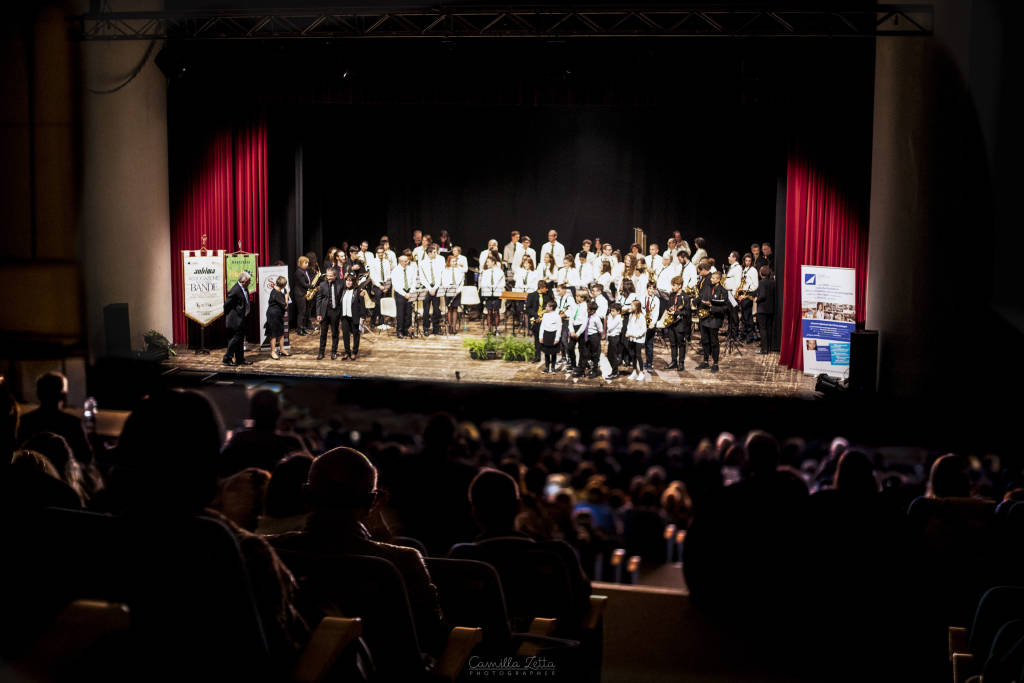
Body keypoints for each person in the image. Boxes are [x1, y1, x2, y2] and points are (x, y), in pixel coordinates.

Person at [268, 447, 445, 655]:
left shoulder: (269, 552)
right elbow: (432, 638)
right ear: (372, 502)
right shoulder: (403, 561)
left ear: (306, 495)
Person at [17, 372, 93, 466]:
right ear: (63, 395)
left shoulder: (25, 421)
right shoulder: (72, 424)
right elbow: (86, 458)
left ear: (38, 394)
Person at [696, 269, 728, 373]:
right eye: (711, 277)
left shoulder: (723, 291)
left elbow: (724, 308)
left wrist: (711, 306)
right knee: (705, 340)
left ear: (719, 280)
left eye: (714, 278)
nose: (711, 279)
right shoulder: (707, 287)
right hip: (705, 318)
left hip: (715, 319)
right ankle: (705, 361)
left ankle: (715, 363)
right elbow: (701, 298)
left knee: (714, 342)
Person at [223, 271, 252, 366]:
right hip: (235, 320)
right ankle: (227, 358)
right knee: (234, 340)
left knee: (240, 340)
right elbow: (226, 305)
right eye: (249, 281)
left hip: (242, 318)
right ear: (244, 281)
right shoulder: (235, 290)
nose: (250, 283)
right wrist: (233, 315)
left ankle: (240, 359)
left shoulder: (244, 288)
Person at [315, 268, 343, 360]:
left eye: (330, 276)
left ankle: (334, 352)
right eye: (327, 276)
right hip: (324, 312)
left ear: (335, 276)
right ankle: (321, 352)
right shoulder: (322, 285)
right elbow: (318, 300)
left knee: (335, 333)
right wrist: (318, 313)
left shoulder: (340, 284)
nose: (328, 278)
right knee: (323, 333)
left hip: (335, 311)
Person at [418, 243, 445, 336]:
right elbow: (422, 278)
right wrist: (430, 288)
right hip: (427, 289)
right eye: (434, 252)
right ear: (429, 253)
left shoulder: (438, 262)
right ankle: (426, 328)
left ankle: (436, 328)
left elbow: (439, 276)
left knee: (436, 310)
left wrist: (435, 287)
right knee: (426, 310)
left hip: (436, 288)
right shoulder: (422, 263)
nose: (436, 254)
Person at [338, 273, 366, 360]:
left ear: (353, 282)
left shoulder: (358, 291)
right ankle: (347, 352)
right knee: (345, 335)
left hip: (354, 316)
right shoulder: (343, 290)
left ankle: (354, 352)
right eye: (347, 280)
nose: (348, 282)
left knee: (355, 335)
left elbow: (362, 305)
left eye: (350, 281)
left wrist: (363, 316)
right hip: (345, 316)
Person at [664, 276, 689, 371]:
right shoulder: (672, 295)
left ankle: (681, 363)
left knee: (681, 344)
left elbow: (687, 312)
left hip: (680, 324)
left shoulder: (685, 297)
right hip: (671, 323)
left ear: (679, 286)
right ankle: (674, 361)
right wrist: (670, 309)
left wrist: (676, 312)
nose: (672, 287)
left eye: (674, 285)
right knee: (672, 343)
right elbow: (668, 306)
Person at [391, 254, 418, 339]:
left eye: (407, 260)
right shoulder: (395, 270)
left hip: (409, 292)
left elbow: (414, 281)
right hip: (400, 293)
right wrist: (404, 294)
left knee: (408, 313)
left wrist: (411, 292)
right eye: (405, 261)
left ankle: (406, 330)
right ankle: (399, 331)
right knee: (400, 313)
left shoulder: (411, 269)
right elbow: (396, 285)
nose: (407, 262)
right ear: (400, 262)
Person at [526, 279, 553, 360]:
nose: (547, 289)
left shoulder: (548, 296)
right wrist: (536, 316)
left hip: (545, 319)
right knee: (537, 338)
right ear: (541, 287)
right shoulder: (531, 295)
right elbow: (528, 308)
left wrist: (543, 317)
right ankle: (537, 356)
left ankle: (547, 357)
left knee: (546, 338)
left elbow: (551, 307)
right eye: (546, 288)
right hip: (535, 320)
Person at [265, 276, 290, 360]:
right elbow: (285, 306)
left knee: (281, 332)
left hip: (278, 315)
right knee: (273, 334)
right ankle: (273, 352)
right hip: (273, 315)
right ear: (283, 285)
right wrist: (286, 296)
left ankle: (282, 349)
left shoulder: (278, 291)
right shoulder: (276, 293)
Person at [368, 243, 392, 328]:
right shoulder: (373, 262)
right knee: (378, 303)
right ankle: (374, 320)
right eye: (379, 252)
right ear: (377, 253)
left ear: (384, 253)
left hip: (385, 284)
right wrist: (379, 286)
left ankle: (381, 321)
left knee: (383, 303)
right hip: (377, 285)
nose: (380, 254)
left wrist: (387, 287)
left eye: (382, 252)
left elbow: (389, 275)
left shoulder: (386, 262)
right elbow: (373, 276)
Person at [753, 265, 775, 354]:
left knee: (762, 329)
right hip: (771, 308)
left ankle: (764, 349)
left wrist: (756, 300)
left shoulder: (762, 282)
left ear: (761, 273)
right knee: (769, 328)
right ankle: (769, 347)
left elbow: (762, 295)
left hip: (762, 309)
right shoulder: (773, 282)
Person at [738, 253, 760, 343]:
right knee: (743, 316)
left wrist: (746, 293)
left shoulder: (753, 270)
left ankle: (749, 336)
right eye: (746, 260)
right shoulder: (744, 269)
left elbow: (755, 285)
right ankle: (743, 333)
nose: (747, 262)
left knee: (748, 316)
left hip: (748, 294)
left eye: (749, 261)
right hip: (742, 293)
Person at [440, 253, 464, 335]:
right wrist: (449, 290)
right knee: (449, 309)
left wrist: (458, 291)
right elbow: (443, 281)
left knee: (455, 309)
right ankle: (449, 326)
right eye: (453, 261)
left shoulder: (460, 270)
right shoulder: (445, 270)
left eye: (455, 261)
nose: (454, 263)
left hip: (457, 292)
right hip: (448, 291)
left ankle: (454, 326)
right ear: (449, 262)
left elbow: (462, 282)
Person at [566, 291, 589, 376]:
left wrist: (578, 333)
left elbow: (585, 322)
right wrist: (571, 330)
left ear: (583, 298)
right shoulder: (576, 306)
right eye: (576, 296)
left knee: (582, 349)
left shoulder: (586, 307)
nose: (576, 298)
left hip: (581, 329)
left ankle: (581, 368)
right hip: (574, 327)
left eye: (578, 296)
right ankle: (573, 364)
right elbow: (571, 318)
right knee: (570, 347)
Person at [480, 255, 505, 334]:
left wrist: (496, 287)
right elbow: (483, 282)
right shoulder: (485, 272)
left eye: (488, 262)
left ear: (493, 262)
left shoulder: (500, 272)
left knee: (496, 311)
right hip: (488, 293)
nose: (487, 264)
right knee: (489, 311)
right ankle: (489, 329)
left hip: (497, 293)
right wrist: (488, 286)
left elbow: (503, 283)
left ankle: (496, 329)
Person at [625, 300, 647, 380]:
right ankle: (634, 371)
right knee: (632, 355)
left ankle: (641, 372)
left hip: (638, 339)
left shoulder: (641, 316)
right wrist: (628, 333)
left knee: (638, 355)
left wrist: (634, 335)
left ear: (637, 307)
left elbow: (644, 329)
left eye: (632, 306)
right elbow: (629, 326)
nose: (631, 307)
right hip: (631, 338)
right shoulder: (631, 315)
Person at [538, 301, 562, 374]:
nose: (546, 307)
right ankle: (547, 368)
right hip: (546, 334)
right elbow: (542, 326)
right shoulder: (545, 315)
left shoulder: (557, 316)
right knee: (546, 352)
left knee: (553, 353)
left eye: (547, 306)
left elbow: (559, 328)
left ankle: (553, 368)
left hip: (553, 335)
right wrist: (541, 336)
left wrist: (557, 338)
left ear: (551, 308)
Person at [641, 281, 661, 372]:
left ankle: (650, 363)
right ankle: (647, 361)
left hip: (651, 323)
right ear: (647, 288)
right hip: (643, 322)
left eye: (653, 288)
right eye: (649, 288)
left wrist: (653, 323)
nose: (651, 290)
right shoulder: (643, 297)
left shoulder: (656, 300)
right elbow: (641, 309)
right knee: (644, 344)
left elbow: (656, 313)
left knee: (649, 344)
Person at [291, 256, 313, 336]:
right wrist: (312, 286)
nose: (307, 264)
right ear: (300, 263)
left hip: (305, 293)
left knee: (306, 311)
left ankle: (303, 328)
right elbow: (303, 284)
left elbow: (308, 281)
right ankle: (299, 329)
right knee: (302, 312)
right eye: (305, 263)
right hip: (300, 294)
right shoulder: (299, 272)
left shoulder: (305, 271)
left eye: (307, 263)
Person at [724, 251, 743, 340]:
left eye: (730, 256)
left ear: (734, 258)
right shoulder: (732, 267)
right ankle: (730, 332)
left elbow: (738, 282)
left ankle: (734, 334)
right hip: (728, 293)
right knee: (729, 314)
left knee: (734, 314)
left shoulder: (738, 268)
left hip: (732, 294)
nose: (728, 257)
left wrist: (735, 294)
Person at [605, 302, 623, 380]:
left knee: (613, 356)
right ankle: (614, 371)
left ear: (618, 311)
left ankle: (615, 372)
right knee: (609, 355)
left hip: (615, 338)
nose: (611, 313)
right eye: (611, 311)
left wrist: (609, 319)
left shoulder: (618, 318)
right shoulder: (612, 317)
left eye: (613, 311)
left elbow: (610, 327)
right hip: (611, 337)